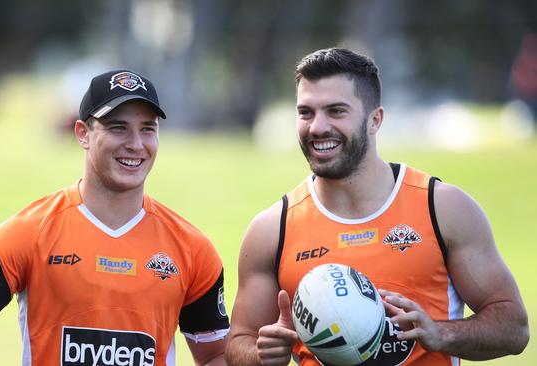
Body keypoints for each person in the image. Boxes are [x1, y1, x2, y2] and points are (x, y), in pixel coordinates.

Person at [0, 70, 229, 366]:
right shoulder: (29, 232)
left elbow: (214, 355)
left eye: (147, 129)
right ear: (83, 133)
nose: (136, 144)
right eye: (118, 128)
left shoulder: (192, 249)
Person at [225, 48, 529, 366]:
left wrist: (442, 334)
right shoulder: (273, 229)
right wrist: (261, 355)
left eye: (336, 111)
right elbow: (237, 344)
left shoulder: (443, 208)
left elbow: (514, 328)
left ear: (375, 119)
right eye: (306, 112)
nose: (317, 127)